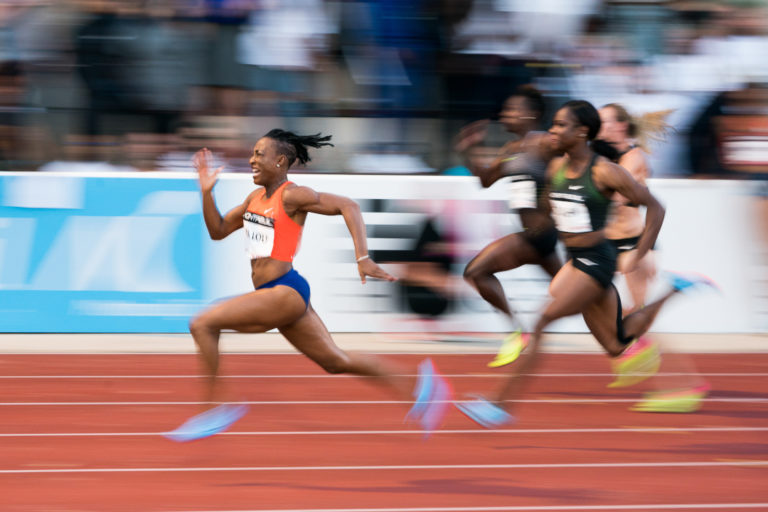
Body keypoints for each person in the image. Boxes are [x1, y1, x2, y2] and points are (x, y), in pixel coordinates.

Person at [165, 130, 451, 441]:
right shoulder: (253, 200)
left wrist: (363, 257)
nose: (251, 160)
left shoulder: (292, 195)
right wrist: (206, 193)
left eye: (259, 154)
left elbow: (348, 206)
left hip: (284, 291)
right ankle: (422, 385)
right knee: (335, 361)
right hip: (279, 294)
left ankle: (214, 406)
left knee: (203, 323)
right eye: (252, 154)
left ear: (280, 161)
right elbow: (218, 230)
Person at [455, 100, 715, 428]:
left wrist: (640, 252)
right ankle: (674, 291)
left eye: (560, 125)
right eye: (553, 125)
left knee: (542, 322)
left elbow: (656, 207)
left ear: (581, 132)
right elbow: (548, 205)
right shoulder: (555, 169)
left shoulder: (605, 171)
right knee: (616, 343)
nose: (553, 130)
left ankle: (500, 405)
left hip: (596, 263)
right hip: (575, 259)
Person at [455, 85, 562, 367]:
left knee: (476, 271)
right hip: (537, 239)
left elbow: (569, 167)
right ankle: (626, 336)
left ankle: (517, 332)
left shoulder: (544, 143)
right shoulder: (512, 148)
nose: (505, 114)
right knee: (575, 290)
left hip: (540, 234)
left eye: (514, 109)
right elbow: (486, 179)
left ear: (533, 115)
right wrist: (471, 150)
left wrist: (549, 200)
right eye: (505, 109)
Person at [599, 104, 673, 314]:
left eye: (604, 121)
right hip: (606, 242)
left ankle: (677, 290)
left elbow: (615, 198)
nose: (598, 126)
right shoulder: (602, 157)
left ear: (621, 126)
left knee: (636, 311)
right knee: (612, 311)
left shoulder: (635, 157)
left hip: (633, 243)